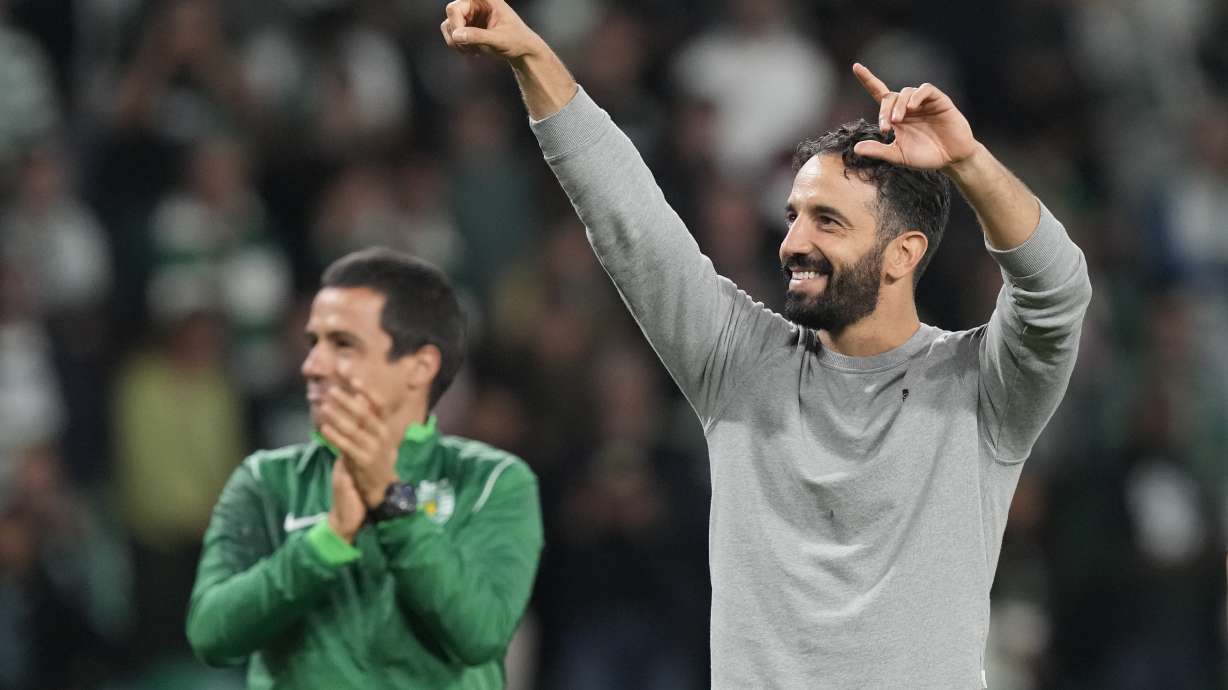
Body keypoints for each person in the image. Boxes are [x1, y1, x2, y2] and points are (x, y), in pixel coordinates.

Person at [440, 3, 1092, 688]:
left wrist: (968, 162)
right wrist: (532, 57)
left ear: (903, 254)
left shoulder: (983, 389)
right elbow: (626, 217)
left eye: (827, 221)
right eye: (793, 217)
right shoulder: (739, 363)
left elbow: (1056, 292)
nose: (794, 242)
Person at [186, 247, 544, 688]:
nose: (312, 366)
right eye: (313, 343)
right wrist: (325, 543)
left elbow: (481, 634)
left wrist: (393, 506)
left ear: (419, 366)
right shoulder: (267, 480)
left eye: (343, 345)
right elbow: (211, 634)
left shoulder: (491, 481)